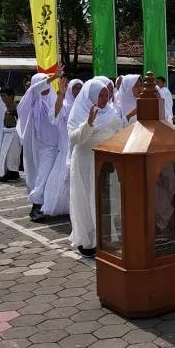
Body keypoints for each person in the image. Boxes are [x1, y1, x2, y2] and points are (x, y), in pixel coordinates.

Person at [68, 79, 125, 258]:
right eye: (99, 95)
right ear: (90, 95)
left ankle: (105, 237)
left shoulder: (112, 113)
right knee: (85, 199)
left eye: (105, 95)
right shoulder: (78, 112)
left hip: (106, 162)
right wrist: (89, 124)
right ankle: (88, 239)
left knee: (105, 199)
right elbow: (76, 139)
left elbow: (119, 134)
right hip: (85, 162)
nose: (103, 98)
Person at [18, 71, 62, 222]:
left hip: (55, 145)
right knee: (40, 175)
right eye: (43, 82)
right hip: (38, 145)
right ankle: (36, 206)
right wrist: (53, 78)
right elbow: (33, 90)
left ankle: (45, 205)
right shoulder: (31, 100)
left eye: (48, 82)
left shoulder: (53, 98)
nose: (46, 86)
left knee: (50, 175)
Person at [41, 78, 83, 219]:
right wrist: (60, 94)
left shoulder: (85, 106)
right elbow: (55, 115)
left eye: (80, 87)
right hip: (66, 149)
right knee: (61, 180)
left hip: (80, 148)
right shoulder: (65, 104)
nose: (78, 91)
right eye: (75, 88)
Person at [0, 88, 22, 183]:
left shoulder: (16, 107)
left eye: (4, 96)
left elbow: (20, 121)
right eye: (1, 96)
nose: (2, 98)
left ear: (11, 96)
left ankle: (14, 173)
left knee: (13, 154)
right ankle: (8, 172)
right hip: (6, 132)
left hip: (14, 133)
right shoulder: (5, 107)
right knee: (5, 154)